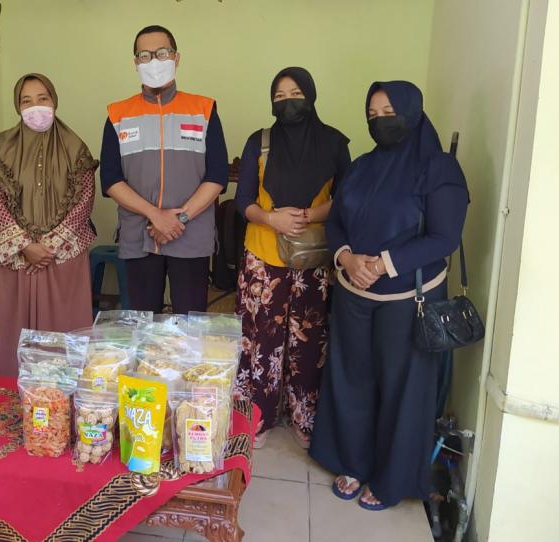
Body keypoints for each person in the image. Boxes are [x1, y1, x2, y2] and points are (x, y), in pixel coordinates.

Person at [309, 81, 469, 511]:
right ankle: (353, 462)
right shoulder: (362, 166)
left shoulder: (439, 169)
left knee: (404, 390)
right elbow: (336, 221)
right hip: (354, 294)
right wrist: (345, 257)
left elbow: (444, 236)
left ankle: (392, 477)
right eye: (372, 113)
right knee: (353, 380)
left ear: (412, 112)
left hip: (410, 300)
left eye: (388, 111)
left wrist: (381, 263)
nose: (380, 120)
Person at [233, 67, 351, 449]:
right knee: (260, 340)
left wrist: (306, 216)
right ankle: (258, 418)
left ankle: (304, 417)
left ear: (311, 95)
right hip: (263, 256)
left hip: (312, 261)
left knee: (309, 341)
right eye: (279, 95)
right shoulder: (259, 141)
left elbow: (348, 199)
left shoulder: (333, 143)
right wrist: (272, 218)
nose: (287, 101)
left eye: (295, 92)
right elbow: (242, 200)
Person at [99, 25, 229, 314]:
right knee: (144, 325)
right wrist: (155, 216)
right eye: (144, 55)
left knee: (190, 324)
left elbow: (217, 175)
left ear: (176, 57)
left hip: (191, 235)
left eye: (161, 53)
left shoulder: (203, 109)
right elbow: (110, 179)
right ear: (135, 63)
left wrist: (178, 218)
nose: (154, 61)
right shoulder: (117, 114)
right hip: (139, 237)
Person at [0, 73, 98, 376]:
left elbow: (84, 199)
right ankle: (11, 400)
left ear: (54, 100)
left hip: (64, 258)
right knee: (16, 335)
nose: (36, 106)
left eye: (42, 98)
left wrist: (49, 246)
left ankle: (70, 402)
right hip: (18, 259)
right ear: (17, 106)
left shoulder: (76, 148)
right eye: (26, 101)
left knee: (66, 334)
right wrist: (25, 246)